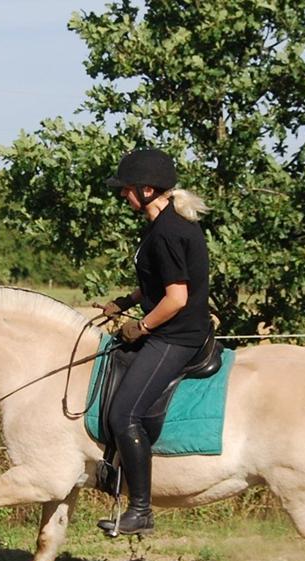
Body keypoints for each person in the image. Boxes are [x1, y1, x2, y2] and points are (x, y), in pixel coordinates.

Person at [94, 148, 212, 535]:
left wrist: (140, 327)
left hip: (176, 336)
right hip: (173, 329)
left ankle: (141, 509)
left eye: (126, 190)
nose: (122, 196)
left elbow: (176, 298)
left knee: (123, 414)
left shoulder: (167, 232)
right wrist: (125, 302)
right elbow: (159, 284)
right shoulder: (165, 223)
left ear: (147, 190)